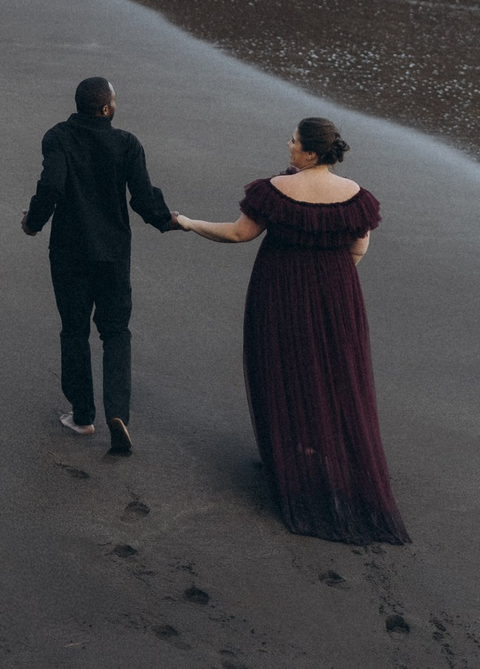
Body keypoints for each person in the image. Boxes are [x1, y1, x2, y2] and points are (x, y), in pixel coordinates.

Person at [174, 117, 409, 545]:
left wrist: (189, 222)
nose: (289, 145)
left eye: (294, 141)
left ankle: (294, 460)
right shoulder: (356, 196)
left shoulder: (275, 191)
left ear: (311, 153)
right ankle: (329, 458)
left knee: (284, 369)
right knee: (337, 376)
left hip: (280, 291)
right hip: (339, 298)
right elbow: (358, 248)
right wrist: (326, 282)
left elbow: (238, 233)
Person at [22, 76, 177, 455]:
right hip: (113, 254)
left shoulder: (57, 136)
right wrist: (167, 219)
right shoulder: (126, 143)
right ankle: (118, 413)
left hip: (69, 252)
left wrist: (32, 222)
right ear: (106, 108)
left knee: (74, 330)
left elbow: (51, 186)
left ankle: (83, 416)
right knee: (115, 332)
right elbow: (142, 197)